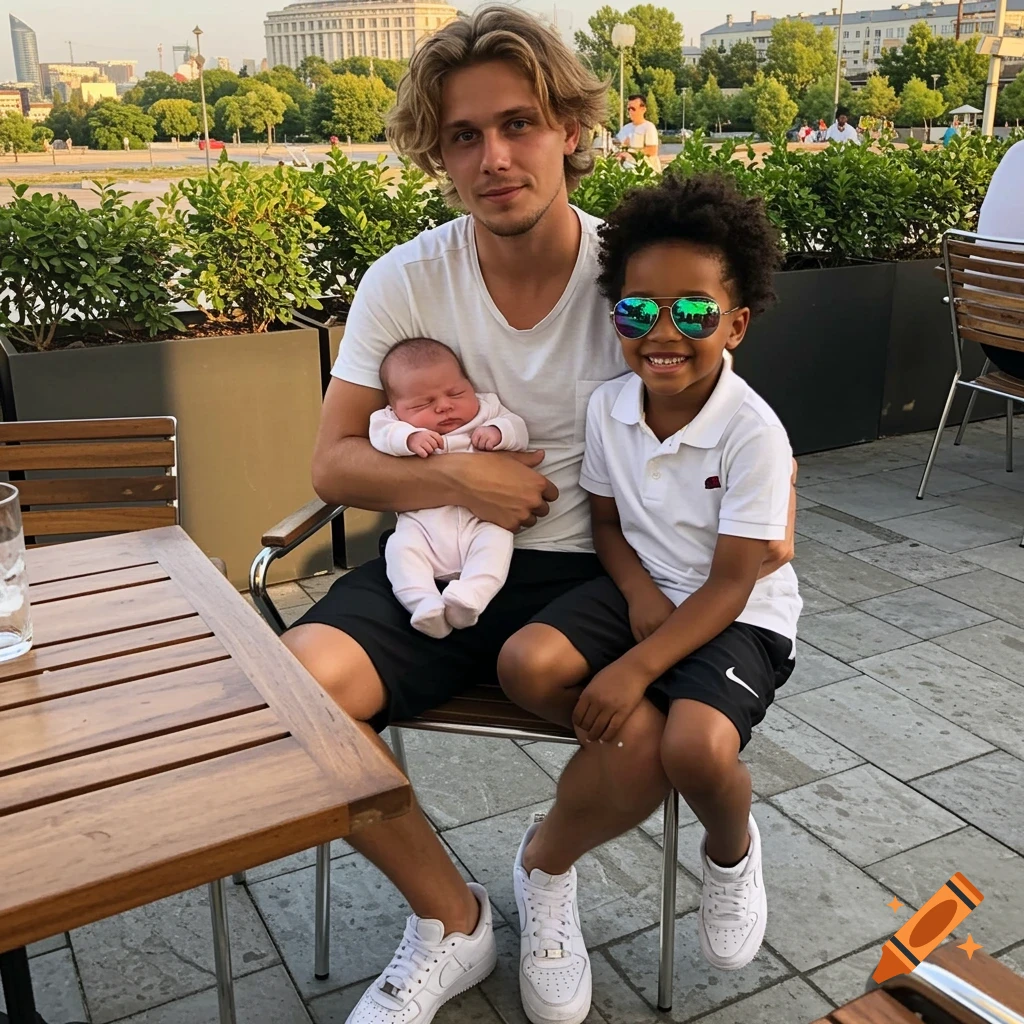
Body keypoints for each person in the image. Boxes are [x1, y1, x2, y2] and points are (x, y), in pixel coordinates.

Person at [284, 8, 796, 1024]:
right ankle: (450, 918)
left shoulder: (632, 283)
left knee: (652, 741)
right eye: (464, 136)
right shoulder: (407, 279)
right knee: (294, 705)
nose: (495, 157)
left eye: (519, 123)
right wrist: (462, 483)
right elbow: (332, 460)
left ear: (569, 127)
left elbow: (727, 427)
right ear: (438, 153)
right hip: (435, 560)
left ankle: (541, 867)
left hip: (590, 577)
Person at [500, 172, 801, 989]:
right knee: (527, 663)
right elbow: (606, 525)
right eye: (638, 310)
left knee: (697, 747)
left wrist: (637, 666)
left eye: (695, 312)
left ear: (735, 323)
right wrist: (635, 598)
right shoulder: (608, 408)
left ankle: (731, 853)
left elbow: (738, 580)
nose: (664, 331)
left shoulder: (753, 434)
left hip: (739, 611)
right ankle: (631, 749)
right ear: (617, 317)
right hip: (645, 585)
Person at [369, 338, 529, 638]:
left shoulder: (487, 409)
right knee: (400, 548)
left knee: (496, 543)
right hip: (421, 526)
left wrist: (498, 432)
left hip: (479, 520)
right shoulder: (392, 422)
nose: (444, 406)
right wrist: (408, 439)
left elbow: (518, 428)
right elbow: (380, 433)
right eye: (422, 404)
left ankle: (470, 596)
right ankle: (422, 603)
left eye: (456, 393)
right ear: (395, 408)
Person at [614, 94, 662, 172]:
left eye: (633, 109)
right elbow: (617, 144)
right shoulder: (625, 128)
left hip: (648, 172)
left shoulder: (649, 127)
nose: (630, 111)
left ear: (643, 109)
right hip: (628, 171)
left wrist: (630, 153)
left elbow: (652, 151)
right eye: (628, 109)